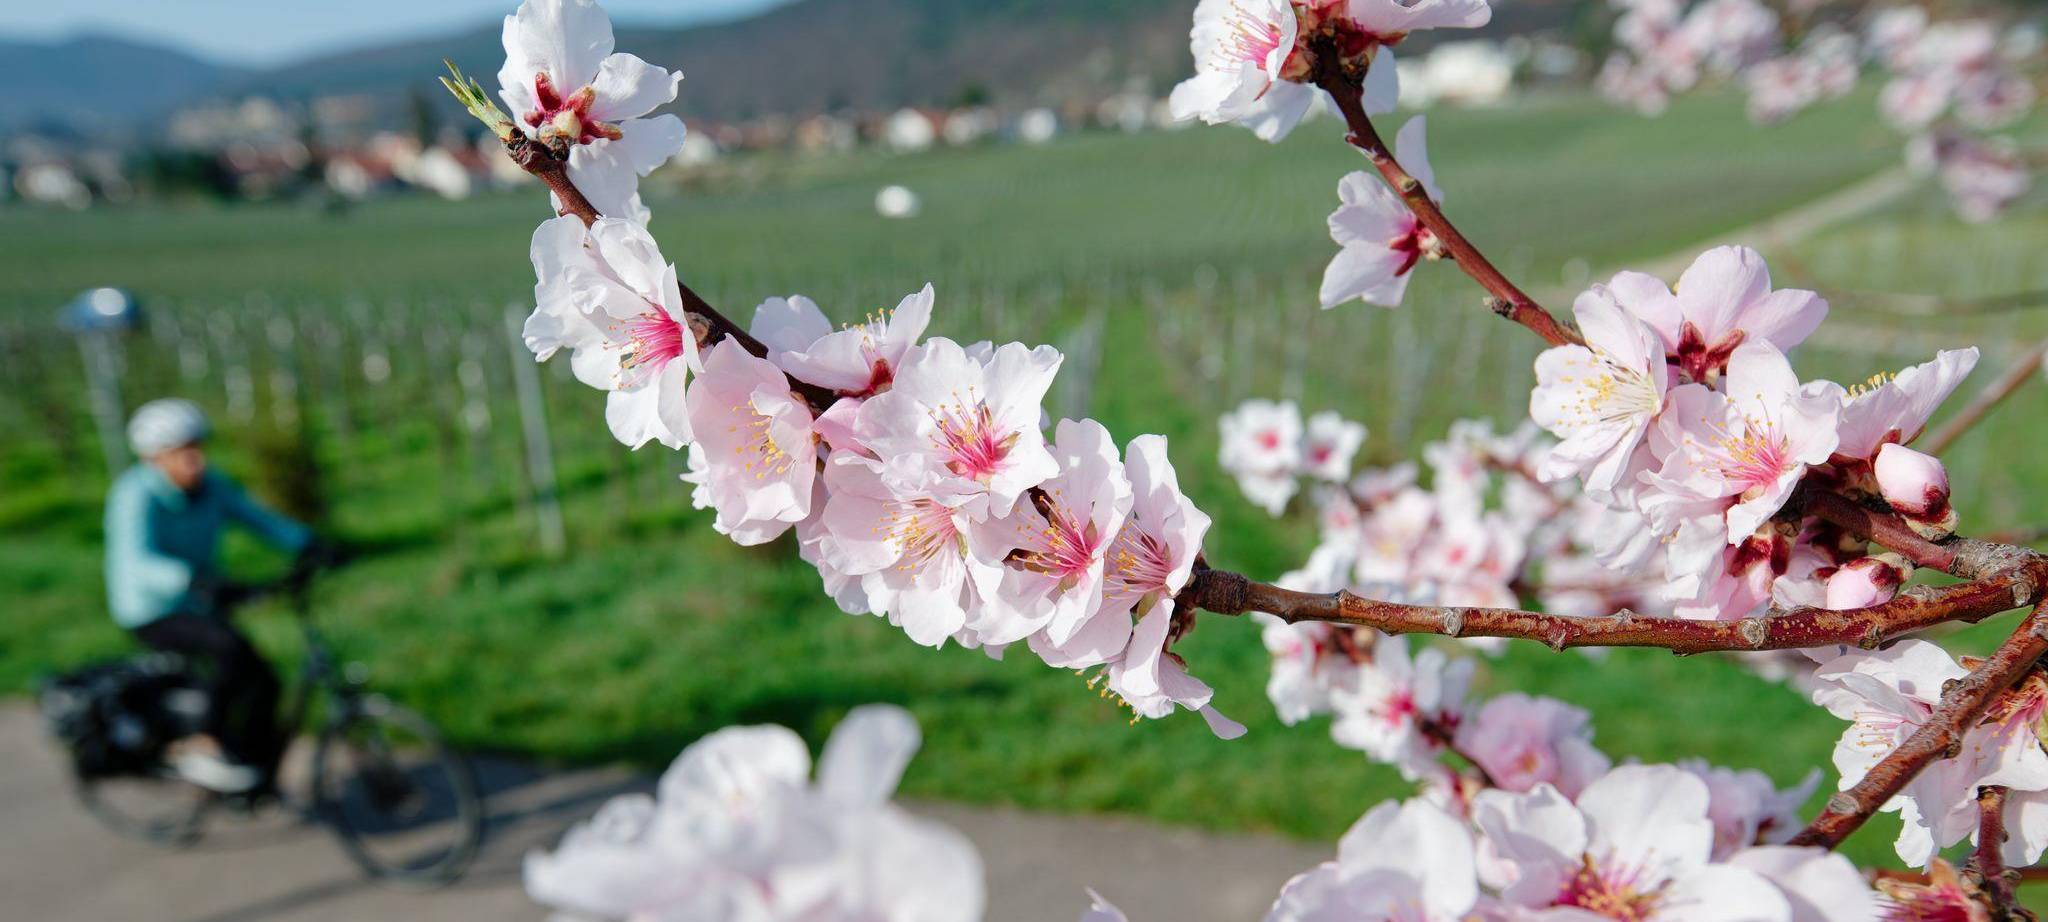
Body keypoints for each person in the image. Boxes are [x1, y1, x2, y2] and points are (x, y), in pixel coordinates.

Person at [105, 399, 314, 794]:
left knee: (265, 681)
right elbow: (136, 562)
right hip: (151, 609)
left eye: (197, 447)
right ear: (154, 458)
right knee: (228, 649)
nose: (195, 459)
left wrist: (308, 543)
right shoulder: (134, 495)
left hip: (199, 599)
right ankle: (202, 744)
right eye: (181, 452)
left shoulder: (212, 486)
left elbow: (258, 519)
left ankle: (254, 772)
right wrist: (191, 580)